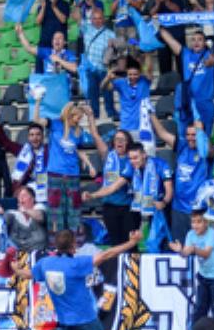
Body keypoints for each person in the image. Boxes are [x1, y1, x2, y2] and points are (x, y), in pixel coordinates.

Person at [13, 228, 142, 330]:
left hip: (64, 320)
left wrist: (16, 269)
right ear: (73, 245)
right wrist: (132, 242)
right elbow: (106, 254)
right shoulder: (77, 264)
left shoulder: (45, 263)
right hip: (85, 319)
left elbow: (28, 275)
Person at [32, 98, 98, 234]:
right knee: (55, 210)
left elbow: (78, 150)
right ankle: (56, 243)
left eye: (80, 117)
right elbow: (36, 121)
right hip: (55, 174)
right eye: (76, 117)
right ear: (68, 114)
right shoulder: (55, 124)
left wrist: (89, 164)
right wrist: (38, 101)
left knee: (74, 210)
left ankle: (74, 242)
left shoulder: (78, 131)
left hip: (73, 175)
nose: (78, 120)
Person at [150, 115, 214, 244]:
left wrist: (201, 132)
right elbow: (162, 134)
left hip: (198, 209)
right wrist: (151, 113)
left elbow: (210, 152)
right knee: (179, 247)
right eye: (188, 134)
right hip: (178, 207)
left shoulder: (205, 152)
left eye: (194, 135)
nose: (190, 138)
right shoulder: (182, 146)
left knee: (198, 248)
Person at [170, 210, 214, 327]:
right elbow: (185, 253)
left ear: (206, 222)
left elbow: (206, 253)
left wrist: (194, 249)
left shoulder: (212, 234)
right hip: (203, 275)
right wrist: (180, 251)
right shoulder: (190, 234)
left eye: (199, 222)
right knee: (199, 310)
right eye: (193, 222)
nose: (195, 225)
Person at [158, 24, 214, 133]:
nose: (196, 42)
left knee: (205, 137)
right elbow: (171, 41)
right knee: (187, 137)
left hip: (206, 103)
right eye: (193, 40)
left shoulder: (210, 55)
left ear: (205, 43)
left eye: (200, 40)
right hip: (188, 103)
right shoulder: (186, 54)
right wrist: (159, 26)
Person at [82, 129, 139, 245]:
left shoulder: (131, 161)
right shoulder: (109, 156)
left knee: (130, 244)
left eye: (123, 139)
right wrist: (91, 118)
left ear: (128, 142)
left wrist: (92, 195)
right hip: (109, 207)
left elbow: (113, 188)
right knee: (115, 243)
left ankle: (132, 264)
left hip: (128, 208)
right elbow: (96, 136)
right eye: (117, 139)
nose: (120, 142)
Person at [127, 140, 175, 251]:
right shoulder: (133, 168)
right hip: (148, 208)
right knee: (154, 241)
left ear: (144, 155)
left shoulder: (160, 164)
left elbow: (169, 189)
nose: (132, 161)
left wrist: (164, 202)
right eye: (130, 158)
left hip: (164, 207)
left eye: (135, 158)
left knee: (159, 240)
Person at [78, 6, 117, 120]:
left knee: (108, 93)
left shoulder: (111, 33)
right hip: (90, 68)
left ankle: (111, 114)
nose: (97, 20)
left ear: (103, 19)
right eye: (95, 18)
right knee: (92, 93)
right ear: (91, 19)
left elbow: (118, 52)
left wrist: (113, 46)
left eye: (100, 18)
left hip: (104, 68)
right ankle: (95, 116)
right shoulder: (86, 29)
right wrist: (77, 2)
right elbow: (76, 16)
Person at [104, 60, 152, 146]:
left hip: (143, 126)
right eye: (130, 74)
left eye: (135, 74)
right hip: (125, 126)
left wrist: (147, 55)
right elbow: (104, 87)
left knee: (143, 154)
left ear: (140, 73)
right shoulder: (121, 82)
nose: (133, 77)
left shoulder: (145, 81)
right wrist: (107, 78)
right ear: (126, 73)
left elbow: (148, 70)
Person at [148, 0, 190, 76]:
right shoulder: (157, 0)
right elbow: (152, 13)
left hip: (178, 35)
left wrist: (166, 1)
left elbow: (177, 10)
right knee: (164, 65)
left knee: (181, 63)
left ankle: (182, 84)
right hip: (163, 37)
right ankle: (166, 85)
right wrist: (159, 3)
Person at [34, 0, 72, 72]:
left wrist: (54, 7)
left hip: (59, 43)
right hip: (45, 41)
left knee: (59, 70)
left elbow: (63, 20)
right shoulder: (44, 4)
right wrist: (43, 8)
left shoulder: (65, 4)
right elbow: (38, 22)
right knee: (40, 69)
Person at [2, 184, 48, 254]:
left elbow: (40, 217)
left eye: (24, 196)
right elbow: (4, 222)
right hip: (19, 254)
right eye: (19, 197)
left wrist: (25, 211)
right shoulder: (14, 214)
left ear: (32, 199)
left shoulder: (39, 207)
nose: (21, 199)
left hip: (38, 252)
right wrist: (1, 214)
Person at [11, 121, 49, 205]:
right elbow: (5, 142)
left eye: (38, 134)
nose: (35, 138)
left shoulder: (49, 150)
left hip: (45, 191)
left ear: (43, 136)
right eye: (32, 135)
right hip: (27, 191)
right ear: (28, 137)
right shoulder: (22, 150)